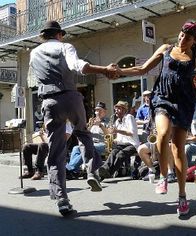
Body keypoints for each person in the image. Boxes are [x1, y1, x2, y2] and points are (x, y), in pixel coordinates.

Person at [116, 19, 196, 216]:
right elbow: (143, 69)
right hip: (162, 98)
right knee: (162, 133)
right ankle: (163, 175)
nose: (182, 37)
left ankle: (182, 195)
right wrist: (120, 71)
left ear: (194, 40)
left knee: (178, 150)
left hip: (184, 104)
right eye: (182, 32)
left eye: (188, 36)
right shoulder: (165, 48)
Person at [29, 20, 117, 216]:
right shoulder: (65, 46)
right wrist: (104, 70)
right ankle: (91, 171)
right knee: (83, 133)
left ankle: (62, 199)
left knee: (56, 151)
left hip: (49, 102)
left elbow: (35, 78)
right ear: (59, 34)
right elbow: (77, 66)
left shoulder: (34, 53)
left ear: (44, 36)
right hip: (70, 96)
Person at [66, 102, 109, 179]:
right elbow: (85, 133)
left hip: (102, 144)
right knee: (76, 148)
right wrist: (90, 125)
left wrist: (100, 125)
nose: (97, 112)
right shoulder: (91, 121)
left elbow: (109, 134)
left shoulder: (107, 121)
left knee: (87, 149)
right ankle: (74, 171)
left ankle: (69, 168)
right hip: (90, 143)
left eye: (100, 110)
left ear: (104, 112)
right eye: (96, 111)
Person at [98, 101, 140, 180]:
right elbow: (119, 137)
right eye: (115, 109)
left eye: (118, 109)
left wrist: (117, 131)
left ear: (124, 110)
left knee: (121, 154)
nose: (116, 111)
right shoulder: (117, 121)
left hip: (132, 144)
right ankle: (104, 169)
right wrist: (113, 140)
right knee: (113, 152)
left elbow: (131, 133)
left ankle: (106, 174)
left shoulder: (129, 117)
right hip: (121, 145)